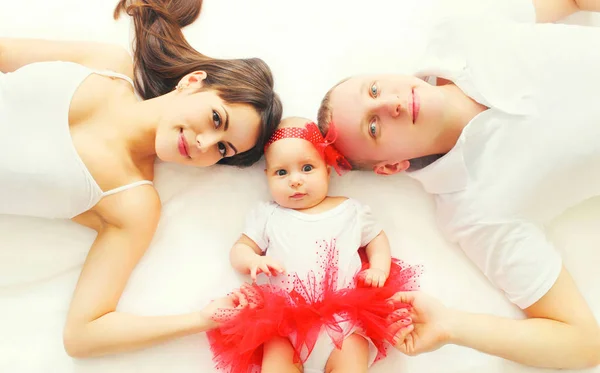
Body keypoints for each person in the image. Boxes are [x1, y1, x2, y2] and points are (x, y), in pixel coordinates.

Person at [316, 0, 600, 370]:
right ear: (391, 166)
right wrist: (453, 325)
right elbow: (583, 343)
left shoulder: (459, 30)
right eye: (374, 126)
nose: (392, 103)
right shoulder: (475, 212)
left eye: (374, 90)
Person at [0, 0, 282, 358]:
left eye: (222, 149)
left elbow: (83, 335)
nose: (204, 144)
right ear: (193, 81)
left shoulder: (132, 203)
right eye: (215, 119)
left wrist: (201, 319)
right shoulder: (108, 65)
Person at [205, 117, 422, 373]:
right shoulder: (268, 215)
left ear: (327, 170)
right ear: (267, 177)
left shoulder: (350, 209)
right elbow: (239, 249)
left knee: (352, 359)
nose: (295, 180)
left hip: (345, 319)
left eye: (307, 168)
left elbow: (377, 238)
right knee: (275, 361)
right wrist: (253, 260)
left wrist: (379, 269)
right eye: (281, 172)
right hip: (284, 325)